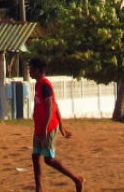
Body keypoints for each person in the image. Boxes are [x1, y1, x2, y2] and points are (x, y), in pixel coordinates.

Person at [29, 58, 84, 192]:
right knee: (35, 156)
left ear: (36, 70)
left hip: (47, 128)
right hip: (40, 128)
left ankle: (77, 180)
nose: (29, 71)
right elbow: (55, 105)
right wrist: (62, 126)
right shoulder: (38, 85)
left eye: (30, 69)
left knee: (49, 160)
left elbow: (50, 108)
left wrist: (47, 128)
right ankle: (39, 188)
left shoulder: (45, 85)